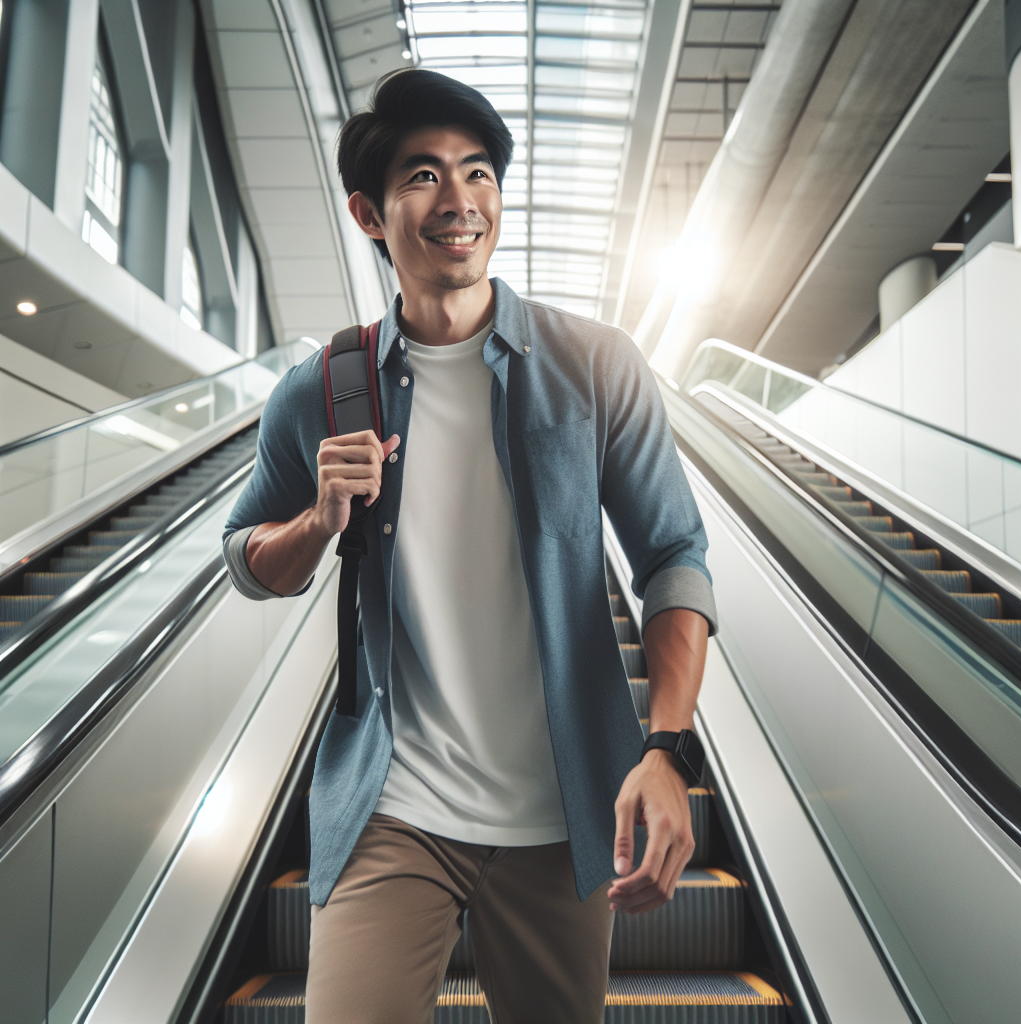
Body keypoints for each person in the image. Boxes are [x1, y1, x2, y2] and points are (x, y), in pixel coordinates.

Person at [222, 68, 717, 1024]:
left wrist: (668, 751)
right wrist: (316, 524)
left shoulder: (593, 366)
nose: (458, 201)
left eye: (478, 173)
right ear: (370, 213)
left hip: (562, 811)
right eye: (423, 177)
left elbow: (672, 556)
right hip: (391, 809)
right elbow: (244, 557)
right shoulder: (321, 389)